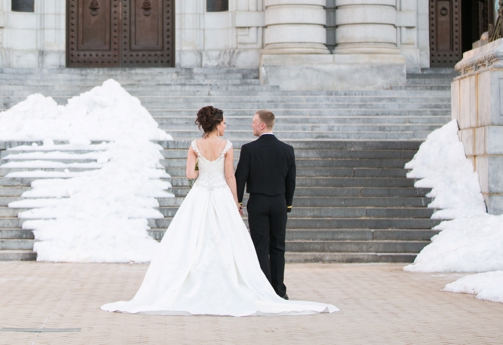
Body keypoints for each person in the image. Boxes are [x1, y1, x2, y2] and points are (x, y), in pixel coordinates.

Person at [101, 106, 337, 316]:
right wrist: (236, 202)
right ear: (216, 124)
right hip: (230, 197)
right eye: (224, 123)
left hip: (201, 195)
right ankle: (271, 288)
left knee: (194, 239)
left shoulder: (195, 145)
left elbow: (191, 175)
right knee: (239, 241)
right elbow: (230, 176)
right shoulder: (229, 145)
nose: (226, 126)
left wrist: (198, 163)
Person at [235, 109, 294, 299]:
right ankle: (279, 290)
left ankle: (264, 290)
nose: (251, 125)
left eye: (253, 122)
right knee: (278, 246)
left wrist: (238, 201)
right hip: (279, 201)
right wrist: (288, 204)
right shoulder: (287, 149)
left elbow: (240, 178)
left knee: (260, 246)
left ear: (262, 125)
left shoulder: (249, 149)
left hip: (258, 201)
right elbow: (291, 180)